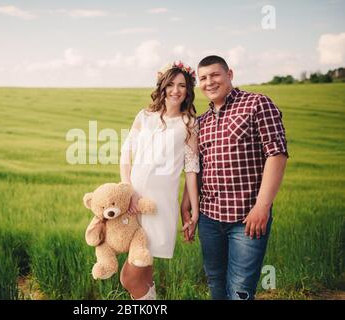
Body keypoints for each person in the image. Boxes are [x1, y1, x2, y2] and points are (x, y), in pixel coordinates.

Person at [181, 55, 288, 300]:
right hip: (209, 218)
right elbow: (196, 168)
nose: (209, 82)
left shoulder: (257, 103)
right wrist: (187, 203)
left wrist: (262, 206)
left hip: (247, 218)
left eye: (215, 75)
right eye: (203, 78)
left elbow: (277, 154)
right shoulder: (202, 122)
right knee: (215, 282)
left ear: (230, 74)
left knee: (240, 289)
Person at [118, 61, 200, 300]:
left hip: (160, 207)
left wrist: (193, 211)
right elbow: (126, 154)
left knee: (130, 277)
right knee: (142, 276)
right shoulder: (144, 117)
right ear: (162, 87)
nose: (176, 90)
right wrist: (128, 189)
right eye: (171, 84)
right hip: (133, 203)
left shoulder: (189, 124)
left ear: (188, 90)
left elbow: (192, 170)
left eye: (182, 85)